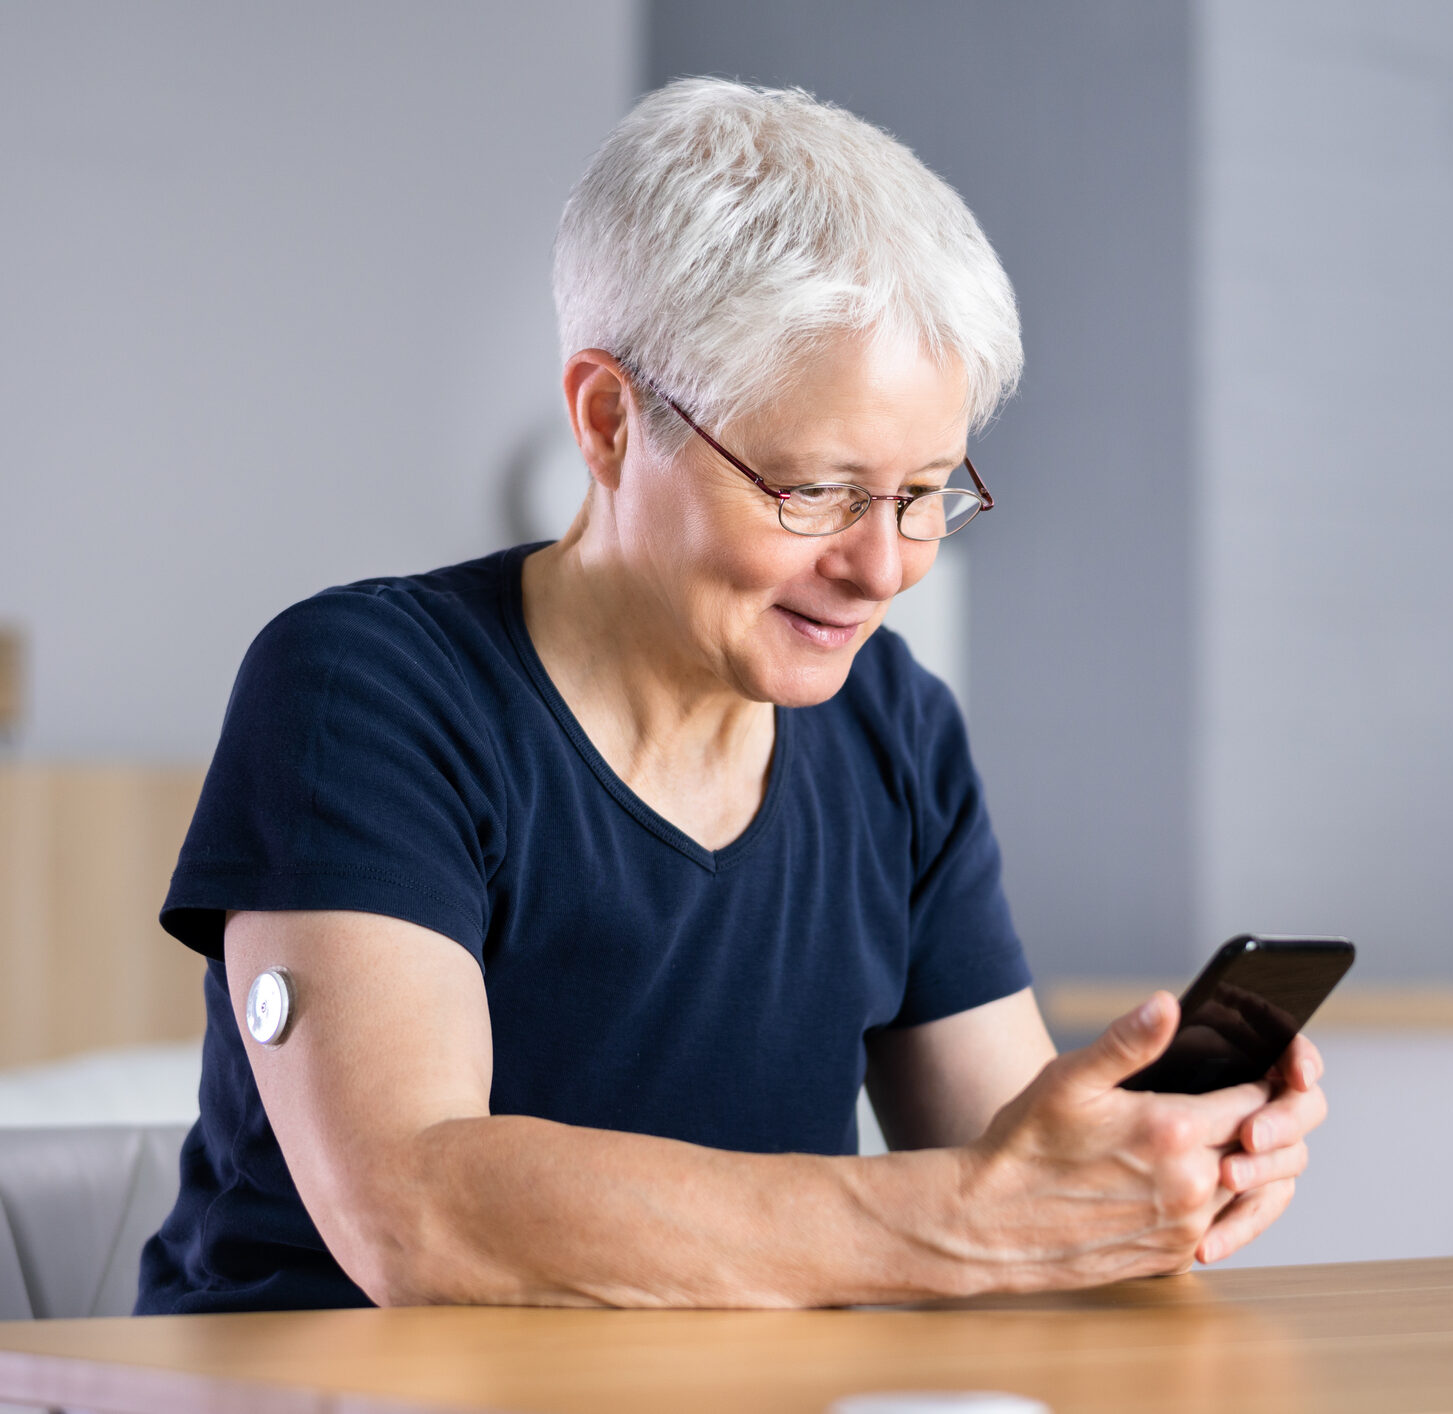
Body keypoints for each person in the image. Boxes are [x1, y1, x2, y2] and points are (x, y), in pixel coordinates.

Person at [137, 78, 1326, 1314]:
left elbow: (999, 1164)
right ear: (609, 421)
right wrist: (974, 1219)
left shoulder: (893, 730)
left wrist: (1137, 1183)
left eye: (924, 494)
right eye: (815, 491)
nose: (883, 567)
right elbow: (420, 1213)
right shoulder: (362, 689)